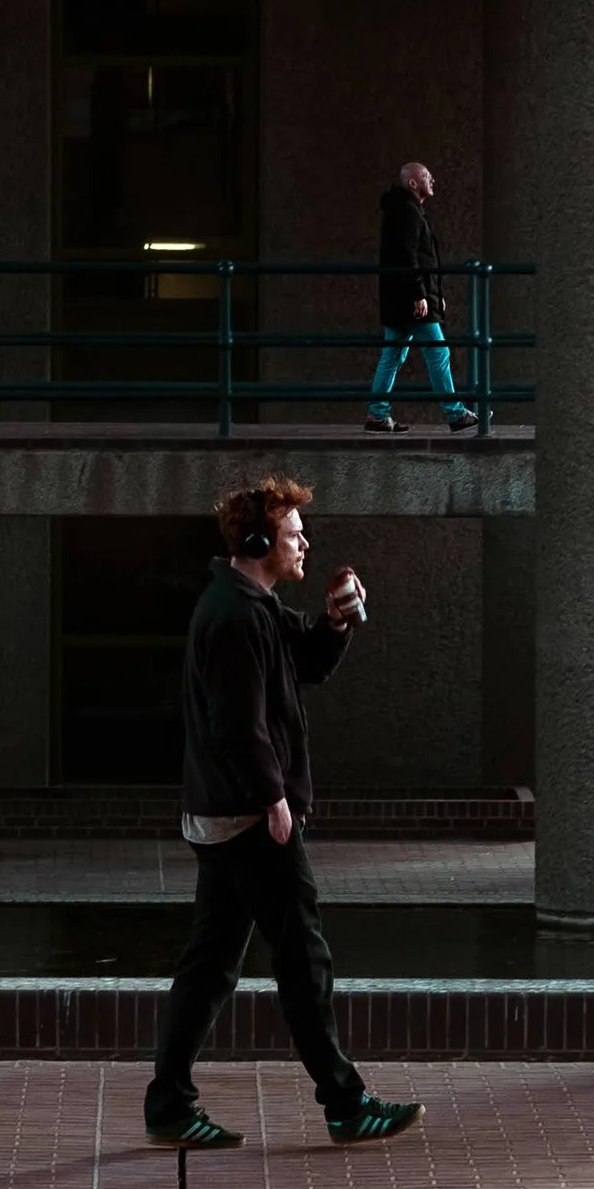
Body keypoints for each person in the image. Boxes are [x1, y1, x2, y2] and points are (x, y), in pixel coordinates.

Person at [144, 476, 424, 1151]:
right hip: (246, 817)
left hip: (224, 815)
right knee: (303, 956)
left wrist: (334, 619)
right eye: (295, 533)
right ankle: (345, 1102)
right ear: (261, 540)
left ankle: (169, 1106)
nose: (305, 543)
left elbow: (308, 664)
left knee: (211, 963)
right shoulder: (236, 616)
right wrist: (274, 801)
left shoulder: (251, 603)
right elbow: (237, 726)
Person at [367, 159, 477, 431]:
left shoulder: (404, 210)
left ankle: (377, 413)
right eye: (427, 176)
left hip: (401, 298)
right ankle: (454, 414)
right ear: (413, 183)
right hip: (412, 301)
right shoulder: (408, 212)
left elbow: (417, 257)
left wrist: (433, 293)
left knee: (392, 355)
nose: (433, 180)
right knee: (437, 352)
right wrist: (420, 295)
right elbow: (410, 256)